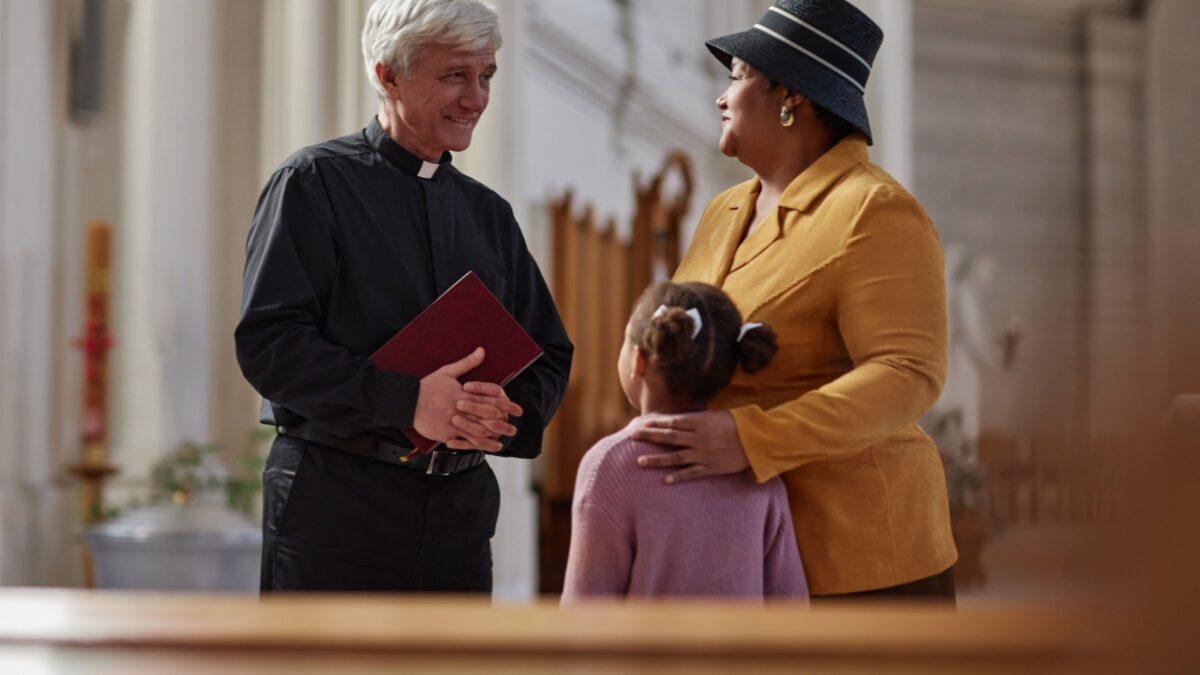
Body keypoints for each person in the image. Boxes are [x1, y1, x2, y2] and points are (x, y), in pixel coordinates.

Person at [234, 0, 572, 594]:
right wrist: (406, 401)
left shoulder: (489, 215)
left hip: (458, 515)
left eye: (486, 75)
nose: (477, 98)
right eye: (455, 76)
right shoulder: (314, 183)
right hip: (335, 507)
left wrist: (495, 415)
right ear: (388, 72)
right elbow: (270, 344)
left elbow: (547, 352)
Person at [632, 0, 957, 601]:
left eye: (735, 77)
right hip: (739, 549)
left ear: (792, 99)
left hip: (860, 554)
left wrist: (753, 438)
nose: (720, 97)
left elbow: (907, 373)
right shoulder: (721, 210)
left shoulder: (874, 210)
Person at [561, 282, 807, 601]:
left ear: (639, 360)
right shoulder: (755, 463)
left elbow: (585, 616)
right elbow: (791, 607)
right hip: (744, 653)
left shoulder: (609, 465)